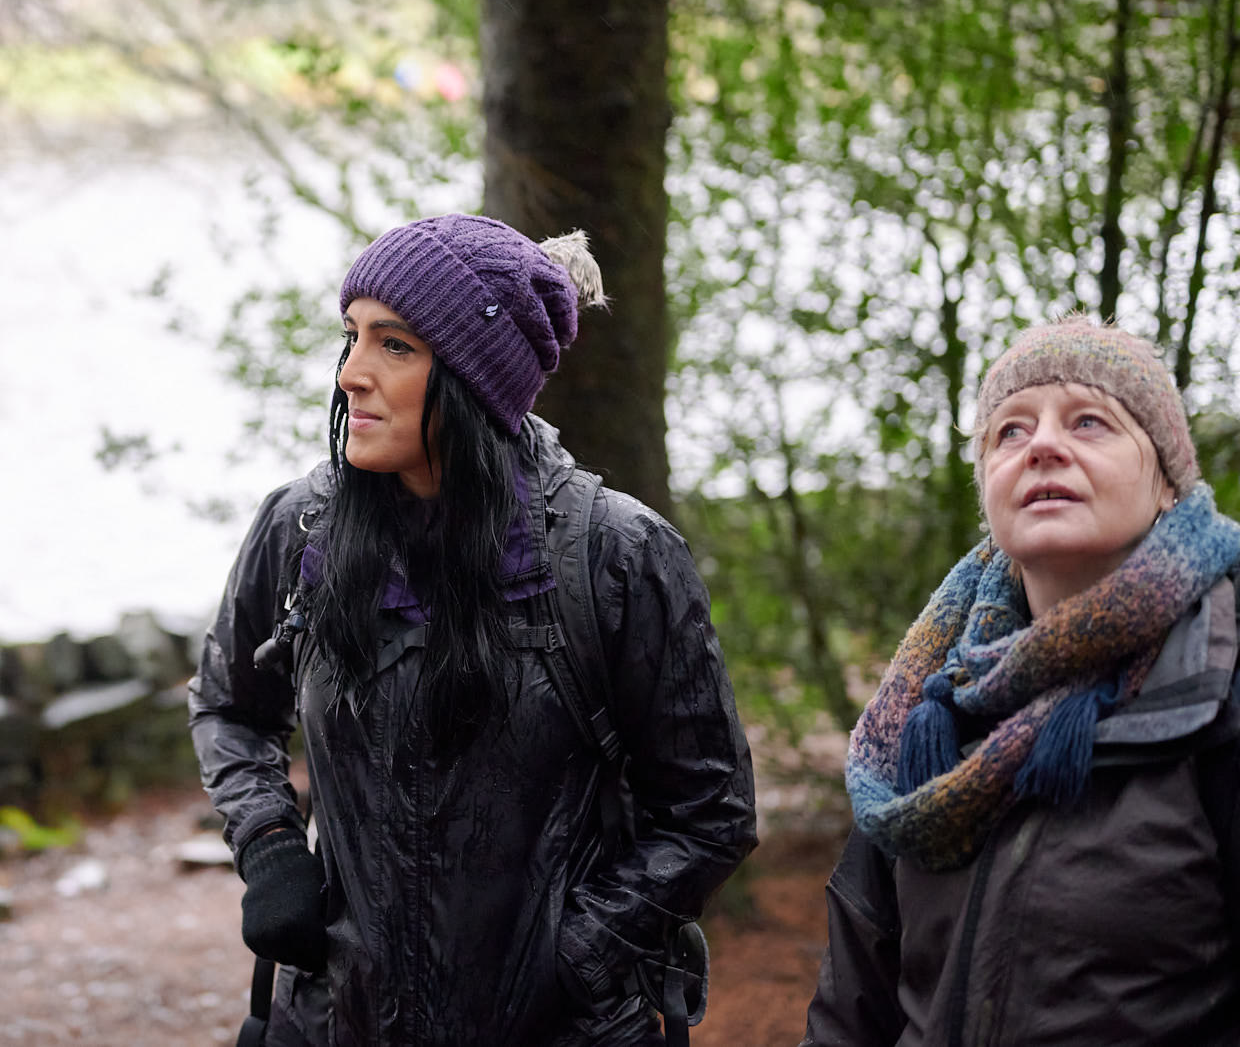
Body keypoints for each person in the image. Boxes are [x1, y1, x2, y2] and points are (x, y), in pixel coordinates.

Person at [188, 214, 757, 1047]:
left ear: (472, 377)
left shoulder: (616, 557)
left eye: (395, 345)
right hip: (337, 1023)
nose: (350, 373)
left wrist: (578, 955)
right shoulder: (300, 530)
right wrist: (272, 842)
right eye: (351, 337)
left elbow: (712, 805)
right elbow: (229, 707)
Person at [802, 318, 1240, 1046]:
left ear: (1167, 480)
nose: (1040, 445)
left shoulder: (1221, 673)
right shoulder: (927, 706)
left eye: (1089, 421)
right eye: (1008, 431)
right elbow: (854, 1010)